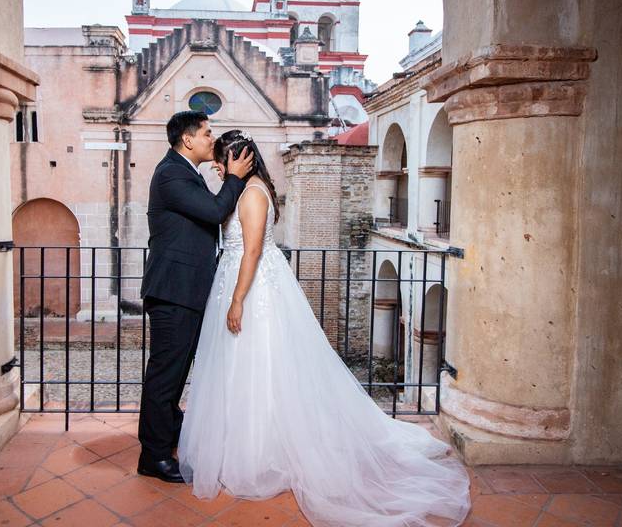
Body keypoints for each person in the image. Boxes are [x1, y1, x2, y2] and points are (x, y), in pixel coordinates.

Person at [177, 129, 471, 526]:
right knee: (242, 368)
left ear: (239, 158)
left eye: (221, 159)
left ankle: (265, 450)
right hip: (239, 280)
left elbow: (249, 251)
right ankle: (247, 445)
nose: (216, 165)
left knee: (260, 364)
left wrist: (236, 300)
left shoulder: (251, 194)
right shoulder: (244, 189)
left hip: (252, 289)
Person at [137, 111, 254, 483]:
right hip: (173, 290)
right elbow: (216, 211)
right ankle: (152, 456)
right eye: (206, 134)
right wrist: (235, 178)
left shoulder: (188, 173)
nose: (210, 139)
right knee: (164, 375)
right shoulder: (171, 173)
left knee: (176, 372)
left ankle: (169, 432)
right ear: (187, 140)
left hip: (186, 291)